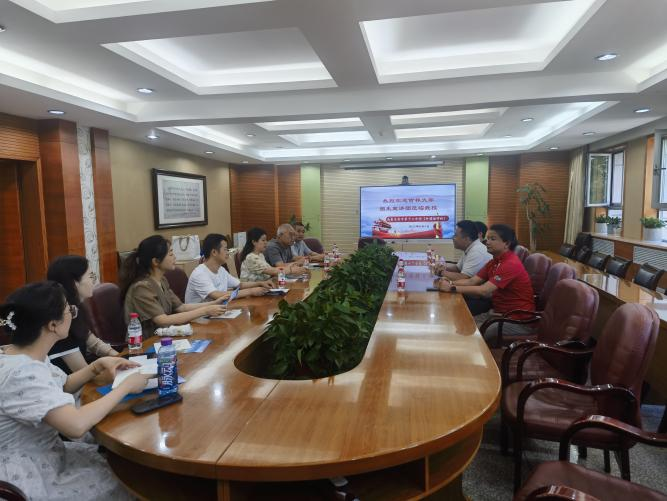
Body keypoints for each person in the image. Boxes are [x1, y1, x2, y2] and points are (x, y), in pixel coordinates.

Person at [0, 281, 150, 500]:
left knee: (122, 466)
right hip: (29, 475)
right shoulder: (23, 372)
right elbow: (75, 426)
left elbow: (61, 385)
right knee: (129, 481)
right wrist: (126, 386)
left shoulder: (17, 354)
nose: (72, 313)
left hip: (47, 455)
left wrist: (95, 367)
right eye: (68, 310)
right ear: (53, 325)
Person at [435, 224, 535, 344]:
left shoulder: (510, 263)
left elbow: (484, 290)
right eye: (487, 238)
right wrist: (448, 282)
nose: (487, 242)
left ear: (506, 243)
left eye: (493, 239)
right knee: (464, 324)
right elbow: (472, 281)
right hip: (498, 313)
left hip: (517, 321)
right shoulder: (494, 261)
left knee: (471, 335)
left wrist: (451, 287)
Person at [120, 235, 227, 337]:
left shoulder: (161, 280)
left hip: (165, 335)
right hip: (146, 342)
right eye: (170, 254)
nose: (175, 257)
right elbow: (163, 320)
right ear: (156, 261)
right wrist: (206, 311)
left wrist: (214, 303)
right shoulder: (141, 288)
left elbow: (181, 307)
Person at [46, 255, 119, 373]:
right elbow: (84, 372)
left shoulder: (76, 308)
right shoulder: (62, 318)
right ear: (74, 283)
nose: (94, 281)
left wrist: (116, 356)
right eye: (90, 276)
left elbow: (91, 341)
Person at [185, 234, 272, 303]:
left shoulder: (220, 269)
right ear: (214, 252)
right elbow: (218, 295)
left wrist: (260, 283)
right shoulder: (200, 274)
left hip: (217, 311)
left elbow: (240, 285)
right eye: (225, 249)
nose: (228, 253)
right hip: (200, 317)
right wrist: (251, 291)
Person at [240, 227, 307, 282]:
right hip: (253, 290)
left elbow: (272, 269)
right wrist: (291, 270)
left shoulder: (260, 255)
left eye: (266, 240)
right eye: (263, 240)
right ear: (254, 242)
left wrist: (292, 265)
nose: (266, 243)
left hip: (263, 286)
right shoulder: (251, 257)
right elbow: (273, 271)